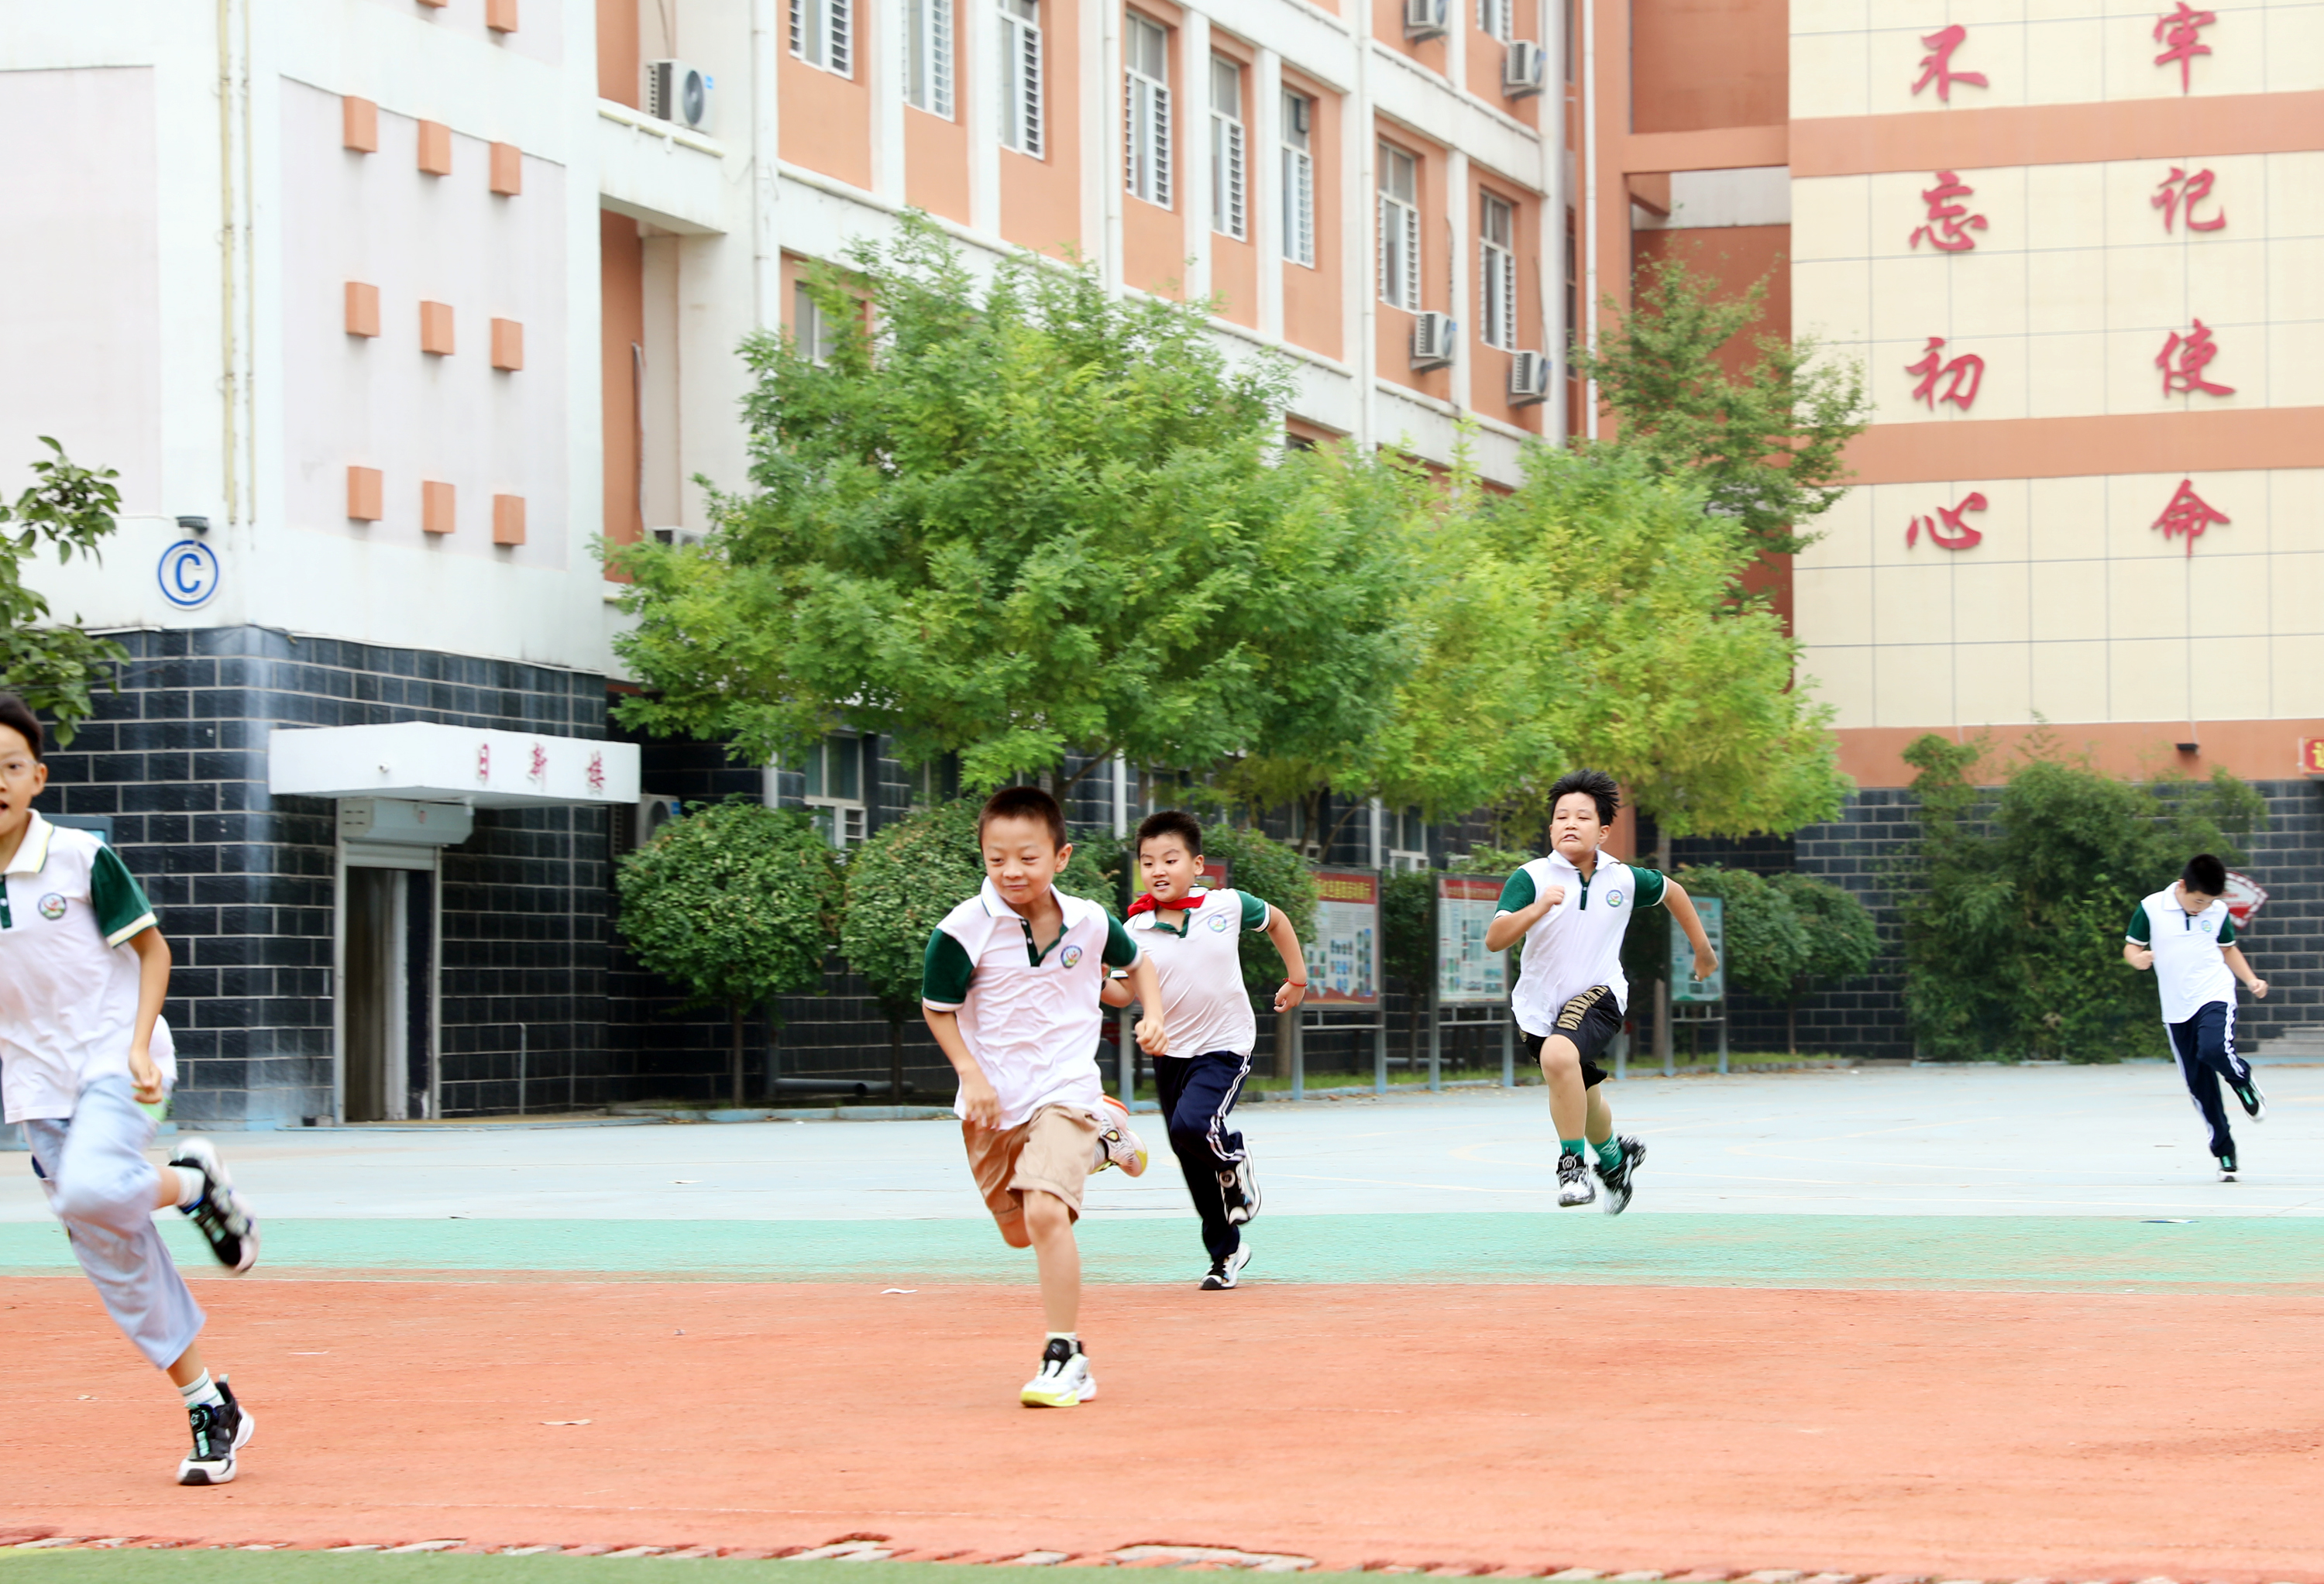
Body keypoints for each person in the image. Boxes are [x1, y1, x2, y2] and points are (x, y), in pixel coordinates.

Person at [0, 691, 262, 1484]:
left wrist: (142, 1043)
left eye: (9, 766)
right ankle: (210, 1402)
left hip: (120, 1058)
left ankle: (188, 1181)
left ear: (37, 775)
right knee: (114, 1253)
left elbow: (155, 952)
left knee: (86, 1190)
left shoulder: (78, 857)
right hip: (37, 1089)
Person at [922, 785, 1166, 1407]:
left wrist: (1152, 1015)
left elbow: (1138, 964)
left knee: (1045, 1212)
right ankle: (1106, 1141)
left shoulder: (1088, 918)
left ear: (1061, 856)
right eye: (996, 857)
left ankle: (1066, 1354)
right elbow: (938, 1009)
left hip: (1066, 1089)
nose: (1011, 871)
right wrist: (970, 1075)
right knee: (1019, 1233)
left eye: (1027, 857)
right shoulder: (960, 932)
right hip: (993, 1105)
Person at [1484, 768, 1717, 1214]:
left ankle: (1572, 1169)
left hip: (1600, 995)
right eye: (1561, 816)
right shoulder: (1531, 878)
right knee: (1582, 1094)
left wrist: (1702, 952)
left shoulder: (1624, 880)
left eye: (1583, 817)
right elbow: (1497, 939)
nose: (1570, 823)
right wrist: (1537, 908)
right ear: (1550, 827)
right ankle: (1615, 1157)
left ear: (1603, 831)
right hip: (1537, 1009)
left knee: (1558, 1056)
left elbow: (1675, 892)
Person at [1102, 810, 1308, 1291]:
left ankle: (1234, 1159)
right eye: (1148, 861)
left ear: (1196, 864)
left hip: (1225, 1046)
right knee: (1187, 1150)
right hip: (1171, 1053)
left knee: (1193, 1126)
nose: (1158, 870)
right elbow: (1121, 993)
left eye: (1170, 859)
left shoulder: (1227, 905)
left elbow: (1277, 921)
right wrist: (1088, 981)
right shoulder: (1134, 930)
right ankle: (1227, 1252)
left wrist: (1297, 978)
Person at [2124, 853, 2269, 1181]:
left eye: (2209, 902)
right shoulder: (2151, 907)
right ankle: (2225, 1155)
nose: (2202, 907)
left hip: (2213, 992)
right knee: (2200, 1088)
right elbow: (2131, 947)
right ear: (2184, 885)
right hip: (2176, 1009)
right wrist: (2139, 959)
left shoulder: (2217, 911)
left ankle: (2242, 1081)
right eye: (2198, 900)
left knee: (2214, 1050)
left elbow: (2228, 948)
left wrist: (2250, 980)